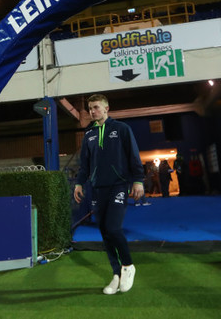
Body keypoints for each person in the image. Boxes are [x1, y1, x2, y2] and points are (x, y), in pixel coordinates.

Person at [74, 94, 145, 295]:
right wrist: (79, 183)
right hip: (97, 188)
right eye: (89, 108)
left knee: (113, 228)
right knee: (104, 232)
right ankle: (116, 274)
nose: (92, 111)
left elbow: (134, 156)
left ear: (106, 108)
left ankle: (128, 266)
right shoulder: (88, 135)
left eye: (96, 107)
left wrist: (138, 180)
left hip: (118, 185)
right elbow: (85, 165)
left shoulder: (122, 129)